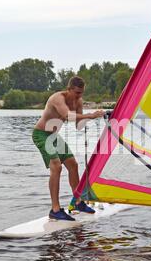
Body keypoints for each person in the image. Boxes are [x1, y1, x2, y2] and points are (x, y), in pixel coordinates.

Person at [32, 76, 105, 221]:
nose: (79, 96)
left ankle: (78, 202)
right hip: (41, 134)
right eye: (77, 92)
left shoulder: (78, 101)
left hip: (53, 136)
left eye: (82, 93)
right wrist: (90, 115)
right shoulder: (57, 98)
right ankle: (55, 210)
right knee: (56, 167)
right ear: (69, 89)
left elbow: (78, 125)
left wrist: (95, 118)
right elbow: (67, 115)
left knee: (73, 164)